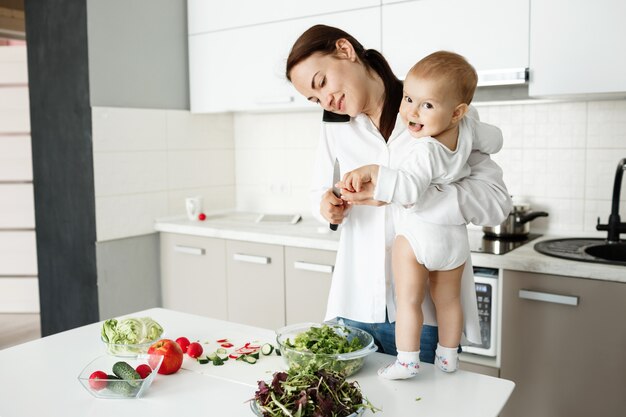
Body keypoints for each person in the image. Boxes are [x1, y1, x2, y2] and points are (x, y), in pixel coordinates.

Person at [285, 24, 512, 365]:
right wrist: (327, 206)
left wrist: (401, 193)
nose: (325, 100)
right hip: (355, 307)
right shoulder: (333, 125)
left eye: (322, 83)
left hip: (427, 316)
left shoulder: (436, 103)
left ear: (345, 50)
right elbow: (320, 190)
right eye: (314, 98)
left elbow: (496, 203)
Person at [339, 51, 503, 379]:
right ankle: (448, 357)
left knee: (409, 301)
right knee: (448, 301)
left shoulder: (425, 148)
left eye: (426, 105)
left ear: (456, 111)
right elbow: (496, 139)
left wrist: (377, 173)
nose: (412, 112)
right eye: (409, 99)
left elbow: (409, 190)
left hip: (418, 238)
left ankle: (407, 361)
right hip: (453, 241)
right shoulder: (468, 129)